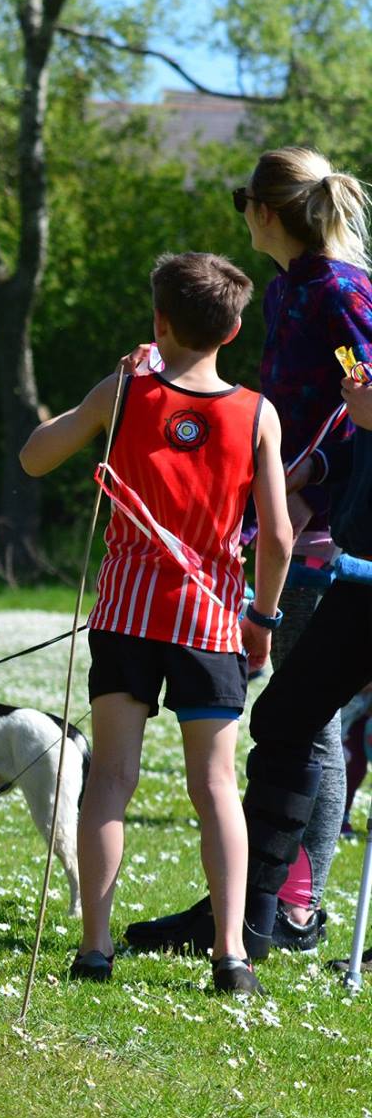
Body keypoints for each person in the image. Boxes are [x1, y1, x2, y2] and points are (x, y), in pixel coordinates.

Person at [19, 252, 291, 996]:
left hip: (127, 615)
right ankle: (231, 955)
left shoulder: (127, 391)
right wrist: (262, 614)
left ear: (157, 322)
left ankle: (95, 946)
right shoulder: (257, 412)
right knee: (215, 786)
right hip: (209, 620)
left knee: (109, 778)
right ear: (234, 329)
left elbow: (35, 457)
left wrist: (110, 390)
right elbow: (277, 535)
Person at [125, 148, 372, 962]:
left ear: (266, 210)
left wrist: (311, 480)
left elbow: (361, 398)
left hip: (327, 530)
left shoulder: (342, 291)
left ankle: (295, 907)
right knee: (295, 711)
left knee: (314, 717)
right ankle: (250, 901)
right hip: (277, 516)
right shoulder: (287, 290)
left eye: (242, 199)